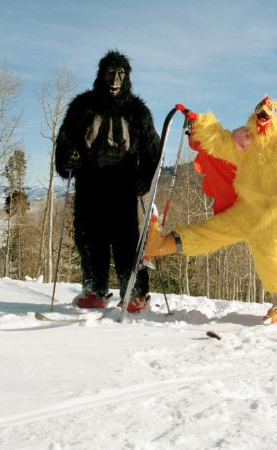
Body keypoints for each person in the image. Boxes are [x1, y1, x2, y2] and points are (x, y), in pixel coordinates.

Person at [144, 96, 277, 324]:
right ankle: (161, 244)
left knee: (269, 256)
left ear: (276, 118)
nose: (263, 115)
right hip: (246, 209)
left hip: (276, 214)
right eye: (260, 110)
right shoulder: (248, 143)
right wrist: (198, 122)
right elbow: (220, 142)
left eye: (269, 112)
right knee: (211, 231)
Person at [55, 50, 161, 313]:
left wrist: (145, 179)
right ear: (101, 75)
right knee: (90, 239)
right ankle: (95, 289)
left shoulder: (137, 112)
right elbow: (65, 142)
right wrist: (67, 160)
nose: (115, 79)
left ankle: (134, 293)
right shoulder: (82, 107)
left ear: (127, 79)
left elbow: (152, 152)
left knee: (127, 241)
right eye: (110, 73)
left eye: (121, 74)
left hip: (123, 185)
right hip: (90, 182)